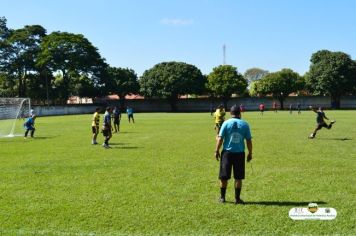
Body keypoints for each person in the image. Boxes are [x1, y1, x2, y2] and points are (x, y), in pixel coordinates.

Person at [215, 105, 253, 204]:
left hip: (227, 154)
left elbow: (220, 138)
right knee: (238, 177)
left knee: (223, 177)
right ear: (240, 113)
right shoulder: (245, 124)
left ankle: (222, 198)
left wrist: (216, 151)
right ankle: (237, 198)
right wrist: (250, 153)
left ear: (230, 113)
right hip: (240, 154)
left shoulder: (226, 123)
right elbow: (248, 140)